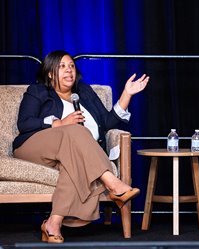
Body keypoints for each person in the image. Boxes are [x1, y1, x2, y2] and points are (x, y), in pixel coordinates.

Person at [12, 50, 149, 243]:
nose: (69, 71)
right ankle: (112, 183)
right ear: (50, 73)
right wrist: (58, 123)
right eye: (62, 66)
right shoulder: (38, 91)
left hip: (70, 154)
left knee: (72, 165)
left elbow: (107, 122)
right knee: (77, 130)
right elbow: (24, 123)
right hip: (33, 147)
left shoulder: (85, 92)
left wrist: (127, 94)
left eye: (71, 66)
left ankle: (53, 224)